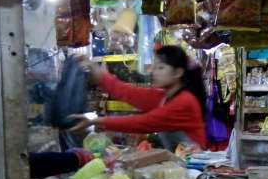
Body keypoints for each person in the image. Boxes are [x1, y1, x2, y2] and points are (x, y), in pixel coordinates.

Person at [69, 45, 208, 151]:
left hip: (194, 167)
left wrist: (95, 121)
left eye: (160, 67)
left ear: (177, 73)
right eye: (154, 67)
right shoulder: (164, 96)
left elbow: (143, 122)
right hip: (182, 161)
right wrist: (94, 69)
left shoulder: (185, 101)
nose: (153, 72)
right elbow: (127, 92)